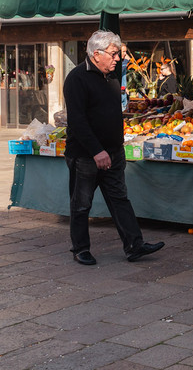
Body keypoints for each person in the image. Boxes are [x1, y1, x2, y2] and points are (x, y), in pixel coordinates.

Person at [64, 30, 164, 266]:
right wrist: (96, 151)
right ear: (96, 54)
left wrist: (115, 145)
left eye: (118, 53)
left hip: (114, 151)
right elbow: (77, 121)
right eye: (113, 53)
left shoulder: (111, 76)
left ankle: (134, 245)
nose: (117, 58)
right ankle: (80, 248)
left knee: (119, 198)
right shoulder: (76, 78)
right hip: (86, 155)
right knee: (81, 203)